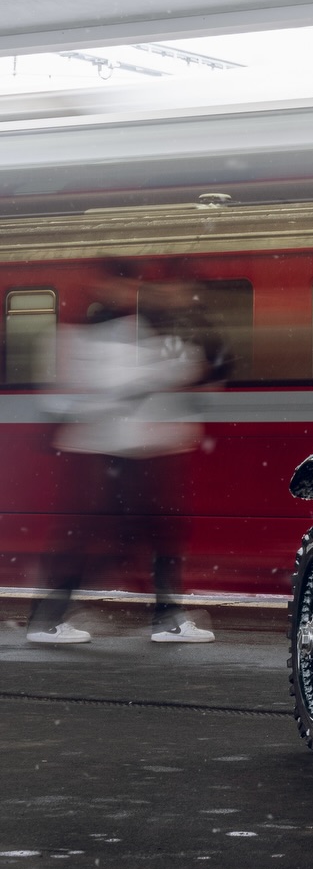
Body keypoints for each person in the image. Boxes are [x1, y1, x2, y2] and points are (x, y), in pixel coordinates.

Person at [26, 263, 216, 646]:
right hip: (104, 456)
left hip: (122, 455)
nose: (129, 292)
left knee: (147, 533)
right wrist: (163, 369)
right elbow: (109, 385)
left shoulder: (119, 327)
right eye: (124, 284)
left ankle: (160, 616)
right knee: (134, 534)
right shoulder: (88, 332)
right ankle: (50, 619)